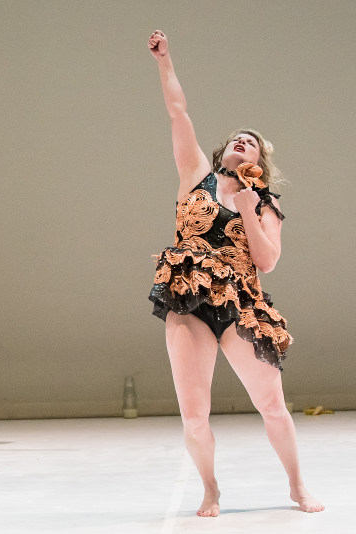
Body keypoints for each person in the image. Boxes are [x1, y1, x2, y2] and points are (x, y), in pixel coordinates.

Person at [146, 30, 323, 516]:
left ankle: (297, 486)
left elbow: (268, 261)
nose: (243, 142)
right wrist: (165, 61)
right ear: (223, 152)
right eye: (237, 139)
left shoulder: (265, 203)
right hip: (189, 300)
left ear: (259, 164)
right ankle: (210, 489)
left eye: (253, 144)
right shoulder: (195, 176)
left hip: (242, 303)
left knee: (272, 405)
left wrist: (248, 208)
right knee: (194, 414)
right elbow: (178, 113)